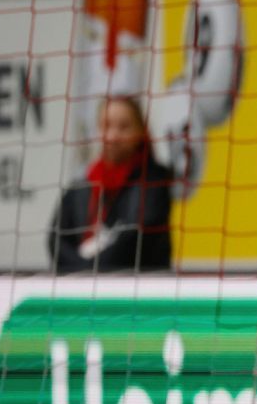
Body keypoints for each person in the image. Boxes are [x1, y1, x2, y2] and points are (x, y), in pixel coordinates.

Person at [49, 95, 174, 273]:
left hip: (140, 290)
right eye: (106, 126)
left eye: (123, 127)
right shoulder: (82, 184)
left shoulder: (155, 183)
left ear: (140, 132)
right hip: (81, 290)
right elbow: (56, 241)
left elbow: (136, 242)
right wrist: (81, 270)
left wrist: (91, 269)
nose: (113, 136)